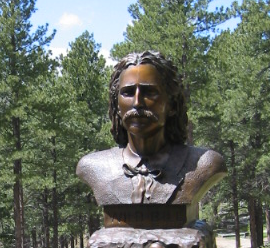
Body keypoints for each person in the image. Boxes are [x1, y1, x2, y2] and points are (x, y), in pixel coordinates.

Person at [76, 51, 226, 209]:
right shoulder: (94, 166)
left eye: (149, 92)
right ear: (117, 105)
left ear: (172, 105)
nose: (137, 102)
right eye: (127, 92)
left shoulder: (204, 164)